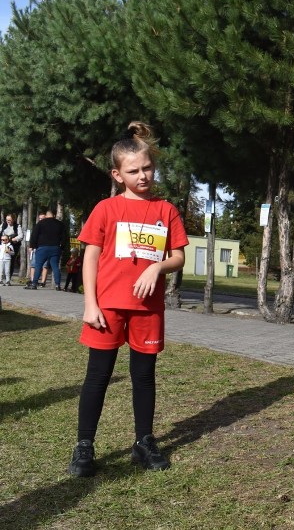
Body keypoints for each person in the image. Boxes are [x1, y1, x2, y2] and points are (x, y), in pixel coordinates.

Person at [67, 122, 188, 478]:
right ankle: (84, 445)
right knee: (97, 376)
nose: (143, 176)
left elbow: (179, 256)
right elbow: (90, 256)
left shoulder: (166, 210)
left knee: (144, 376)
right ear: (117, 174)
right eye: (133, 171)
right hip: (107, 308)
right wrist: (90, 304)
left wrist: (157, 268)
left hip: (147, 311)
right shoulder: (105, 209)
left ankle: (143, 442)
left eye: (147, 168)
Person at [27, 211, 63, 290]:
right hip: (55, 248)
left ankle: (34, 284)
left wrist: (32, 246)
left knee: (38, 265)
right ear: (53, 215)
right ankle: (58, 285)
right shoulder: (60, 224)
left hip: (42, 247)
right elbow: (64, 237)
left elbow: (34, 235)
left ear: (46, 216)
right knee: (55, 266)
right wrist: (62, 248)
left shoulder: (40, 223)